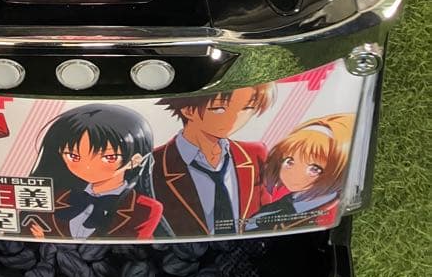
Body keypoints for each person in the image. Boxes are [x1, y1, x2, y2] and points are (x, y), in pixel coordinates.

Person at [26, 104, 165, 239]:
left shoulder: (145, 209)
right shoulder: (58, 196)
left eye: (109, 157)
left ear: (135, 160)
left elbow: (128, 247)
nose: (87, 167)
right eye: (73, 156)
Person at [152, 85, 275, 236]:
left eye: (247, 108)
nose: (235, 118)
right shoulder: (153, 164)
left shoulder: (254, 154)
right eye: (219, 109)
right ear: (188, 110)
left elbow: (266, 216)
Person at [243, 114, 354, 232]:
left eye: (314, 168)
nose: (294, 174)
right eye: (289, 161)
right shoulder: (282, 204)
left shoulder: (330, 210)